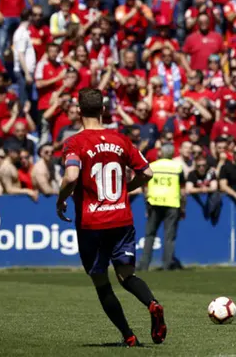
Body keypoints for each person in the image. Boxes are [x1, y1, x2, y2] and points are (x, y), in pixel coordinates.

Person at [55, 88, 166, 346]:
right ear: (104, 110)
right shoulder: (121, 139)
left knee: (102, 283)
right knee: (126, 276)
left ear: (79, 112)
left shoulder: (75, 142)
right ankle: (152, 303)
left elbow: (71, 176)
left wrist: (61, 199)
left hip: (91, 223)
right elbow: (147, 173)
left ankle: (129, 336)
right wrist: (126, 188)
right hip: (121, 219)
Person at [139, 143, 186, 271]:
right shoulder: (177, 167)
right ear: (172, 154)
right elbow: (182, 191)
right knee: (169, 236)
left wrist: (147, 204)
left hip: (154, 203)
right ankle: (167, 265)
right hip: (172, 204)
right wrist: (183, 207)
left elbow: (145, 188)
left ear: (161, 153)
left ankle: (144, 265)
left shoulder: (152, 166)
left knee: (149, 235)